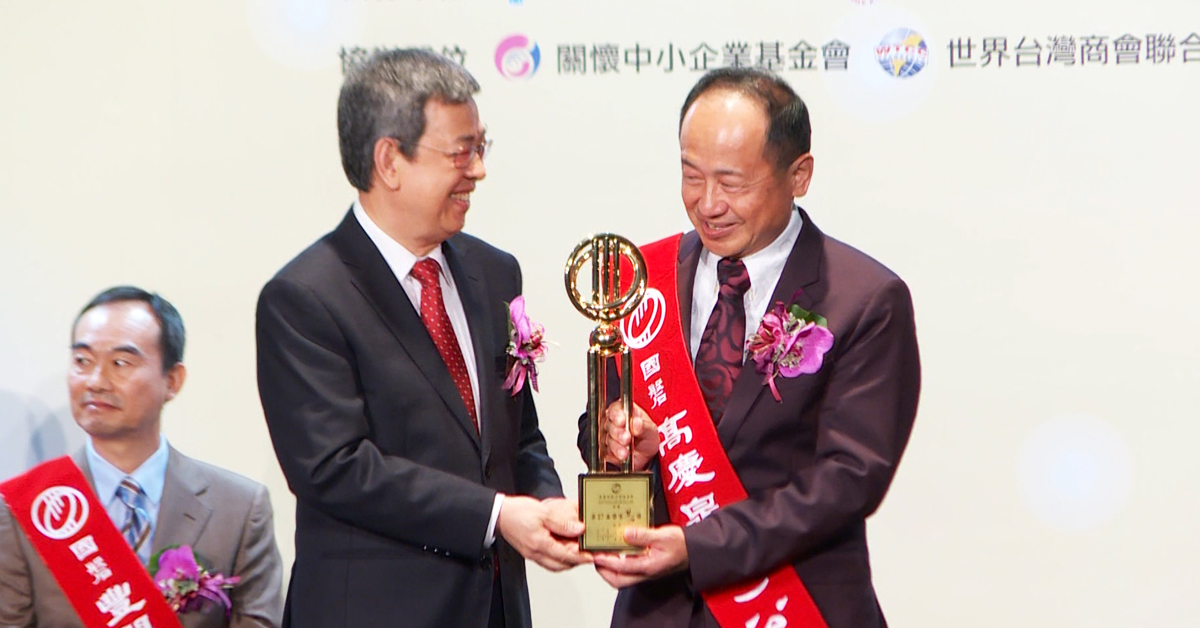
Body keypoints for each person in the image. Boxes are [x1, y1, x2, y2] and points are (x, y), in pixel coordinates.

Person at [255, 48, 587, 628]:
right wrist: (497, 515)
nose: (478, 170)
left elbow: (516, 436)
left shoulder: (493, 272)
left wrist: (546, 503)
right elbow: (337, 467)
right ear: (389, 161)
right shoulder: (305, 297)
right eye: (461, 152)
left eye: (481, 148)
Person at [583, 68, 921, 628]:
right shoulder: (645, 278)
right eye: (691, 176)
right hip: (659, 611)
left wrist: (699, 546)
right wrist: (619, 440)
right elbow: (603, 430)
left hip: (792, 604)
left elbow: (848, 479)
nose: (707, 204)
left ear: (799, 175)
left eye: (733, 183)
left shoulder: (863, 298)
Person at [0, 286, 284, 628]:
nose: (96, 381)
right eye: (82, 361)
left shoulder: (239, 509)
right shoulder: (27, 507)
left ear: (172, 380)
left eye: (120, 363)